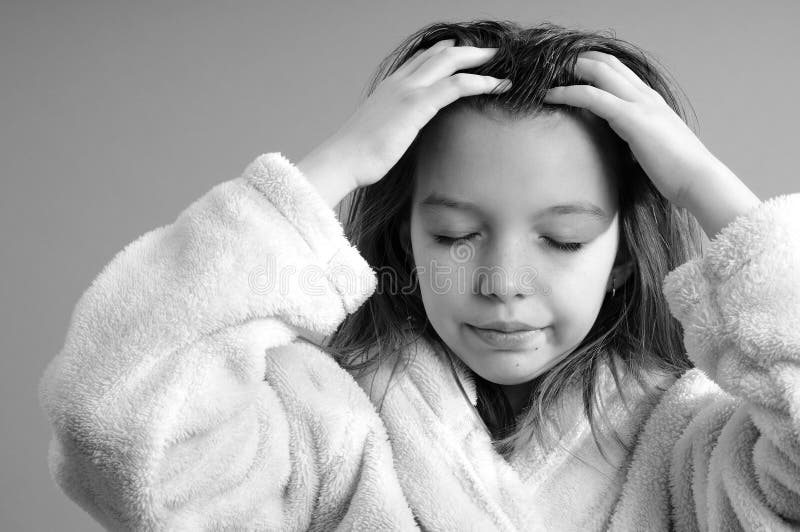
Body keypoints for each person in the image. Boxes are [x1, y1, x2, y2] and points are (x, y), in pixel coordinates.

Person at [38, 19, 800, 531]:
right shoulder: (320, 427)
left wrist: (708, 191)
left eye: (563, 239)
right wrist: (335, 166)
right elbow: (114, 420)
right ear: (406, 240)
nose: (502, 280)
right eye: (456, 232)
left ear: (623, 255)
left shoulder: (692, 447)